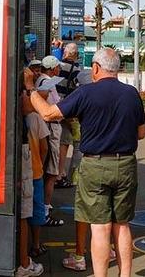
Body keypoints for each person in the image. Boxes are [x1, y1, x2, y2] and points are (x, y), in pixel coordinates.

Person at [24, 48, 145, 277]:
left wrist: (31, 90)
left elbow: (50, 114)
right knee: (122, 224)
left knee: (100, 227)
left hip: (96, 165)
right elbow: (141, 133)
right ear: (117, 68)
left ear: (97, 68)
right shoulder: (132, 94)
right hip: (126, 164)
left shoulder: (86, 93)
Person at [16, 93, 44, 277]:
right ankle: (24, 263)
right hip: (30, 168)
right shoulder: (32, 116)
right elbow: (45, 146)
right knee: (27, 213)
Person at [36, 55, 64, 227]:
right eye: (57, 67)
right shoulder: (47, 83)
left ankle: (43, 208)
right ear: (53, 68)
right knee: (52, 172)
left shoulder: (40, 79)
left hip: (46, 127)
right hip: (51, 127)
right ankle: (44, 211)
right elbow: (54, 105)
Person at [56, 43, 82, 188]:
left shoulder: (57, 66)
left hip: (56, 107)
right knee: (77, 143)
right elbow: (78, 87)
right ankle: (71, 176)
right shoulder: (75, 70)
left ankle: (59, 173)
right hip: (69, 111)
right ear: (76, 54)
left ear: (65, 53)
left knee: (62, 142)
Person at [25, 107, 50, 258]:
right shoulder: (35, 117)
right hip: (35, 171)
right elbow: (45, 147)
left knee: (23, 213)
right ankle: (35, 244)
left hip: (18, 174)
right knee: (36, 210)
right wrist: (40, 163)